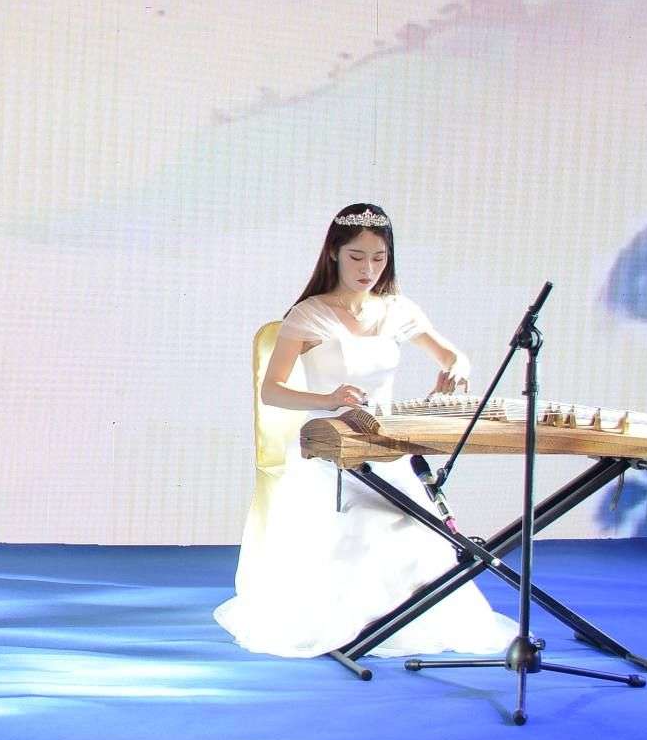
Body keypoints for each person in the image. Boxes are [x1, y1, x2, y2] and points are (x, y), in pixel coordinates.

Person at [215, 203, 516, 658]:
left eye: (378, 258)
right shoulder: (309, 315)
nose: (367, 269)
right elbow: (272, 391)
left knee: (416, 527)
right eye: (356, 257)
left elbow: (453, 356)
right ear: (334, 254)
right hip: (329, 446)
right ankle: (348, 623)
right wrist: (329, 398)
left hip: (384, 442)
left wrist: (456, 370)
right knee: (361, 521)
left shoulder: (397, 310)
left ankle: (400, 620)